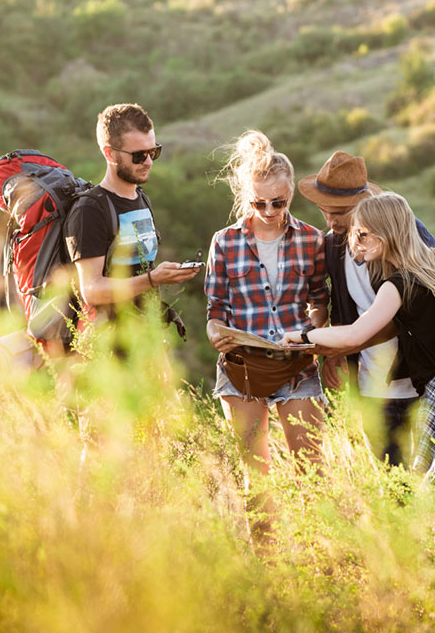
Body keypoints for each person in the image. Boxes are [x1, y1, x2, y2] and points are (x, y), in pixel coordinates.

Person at [280, 192, 435, 490]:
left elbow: (355, 333)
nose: (354, 242)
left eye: (361, 234)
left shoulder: (398, 284)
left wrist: (301, 335)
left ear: (384, 233)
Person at [298, 150, 435, 466]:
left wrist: (342, 344)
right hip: (371, 385)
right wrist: (336, 354)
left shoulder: (405, 233)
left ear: (363, 203)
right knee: (389, 480)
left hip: (421, 381)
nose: (331, 221)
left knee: (432, 480)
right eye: (324, 211)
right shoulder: (332, 244)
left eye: (340, 212)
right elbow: (340, 303)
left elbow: (416, 309)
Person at [204, 131, 329, 480]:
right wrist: (215, 333)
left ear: (290, 195)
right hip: (242, 367)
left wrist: (310, 333)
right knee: (255, 477)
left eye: (278, 202)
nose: (270, 211)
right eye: (259, 203)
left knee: (312, 473)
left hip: (297, 366)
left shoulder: (312, 239)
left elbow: (319, 300)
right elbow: (216, 308)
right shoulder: (224, 242)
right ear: (247, 197)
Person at [64, 103, 200, 325]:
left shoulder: (141, 198)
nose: (148, 162)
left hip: (146, 334)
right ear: (109, 153)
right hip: (109, 340)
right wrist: (152, 279)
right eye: (138, 155)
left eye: (153, 152)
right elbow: (92, 289)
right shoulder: (89, 210)